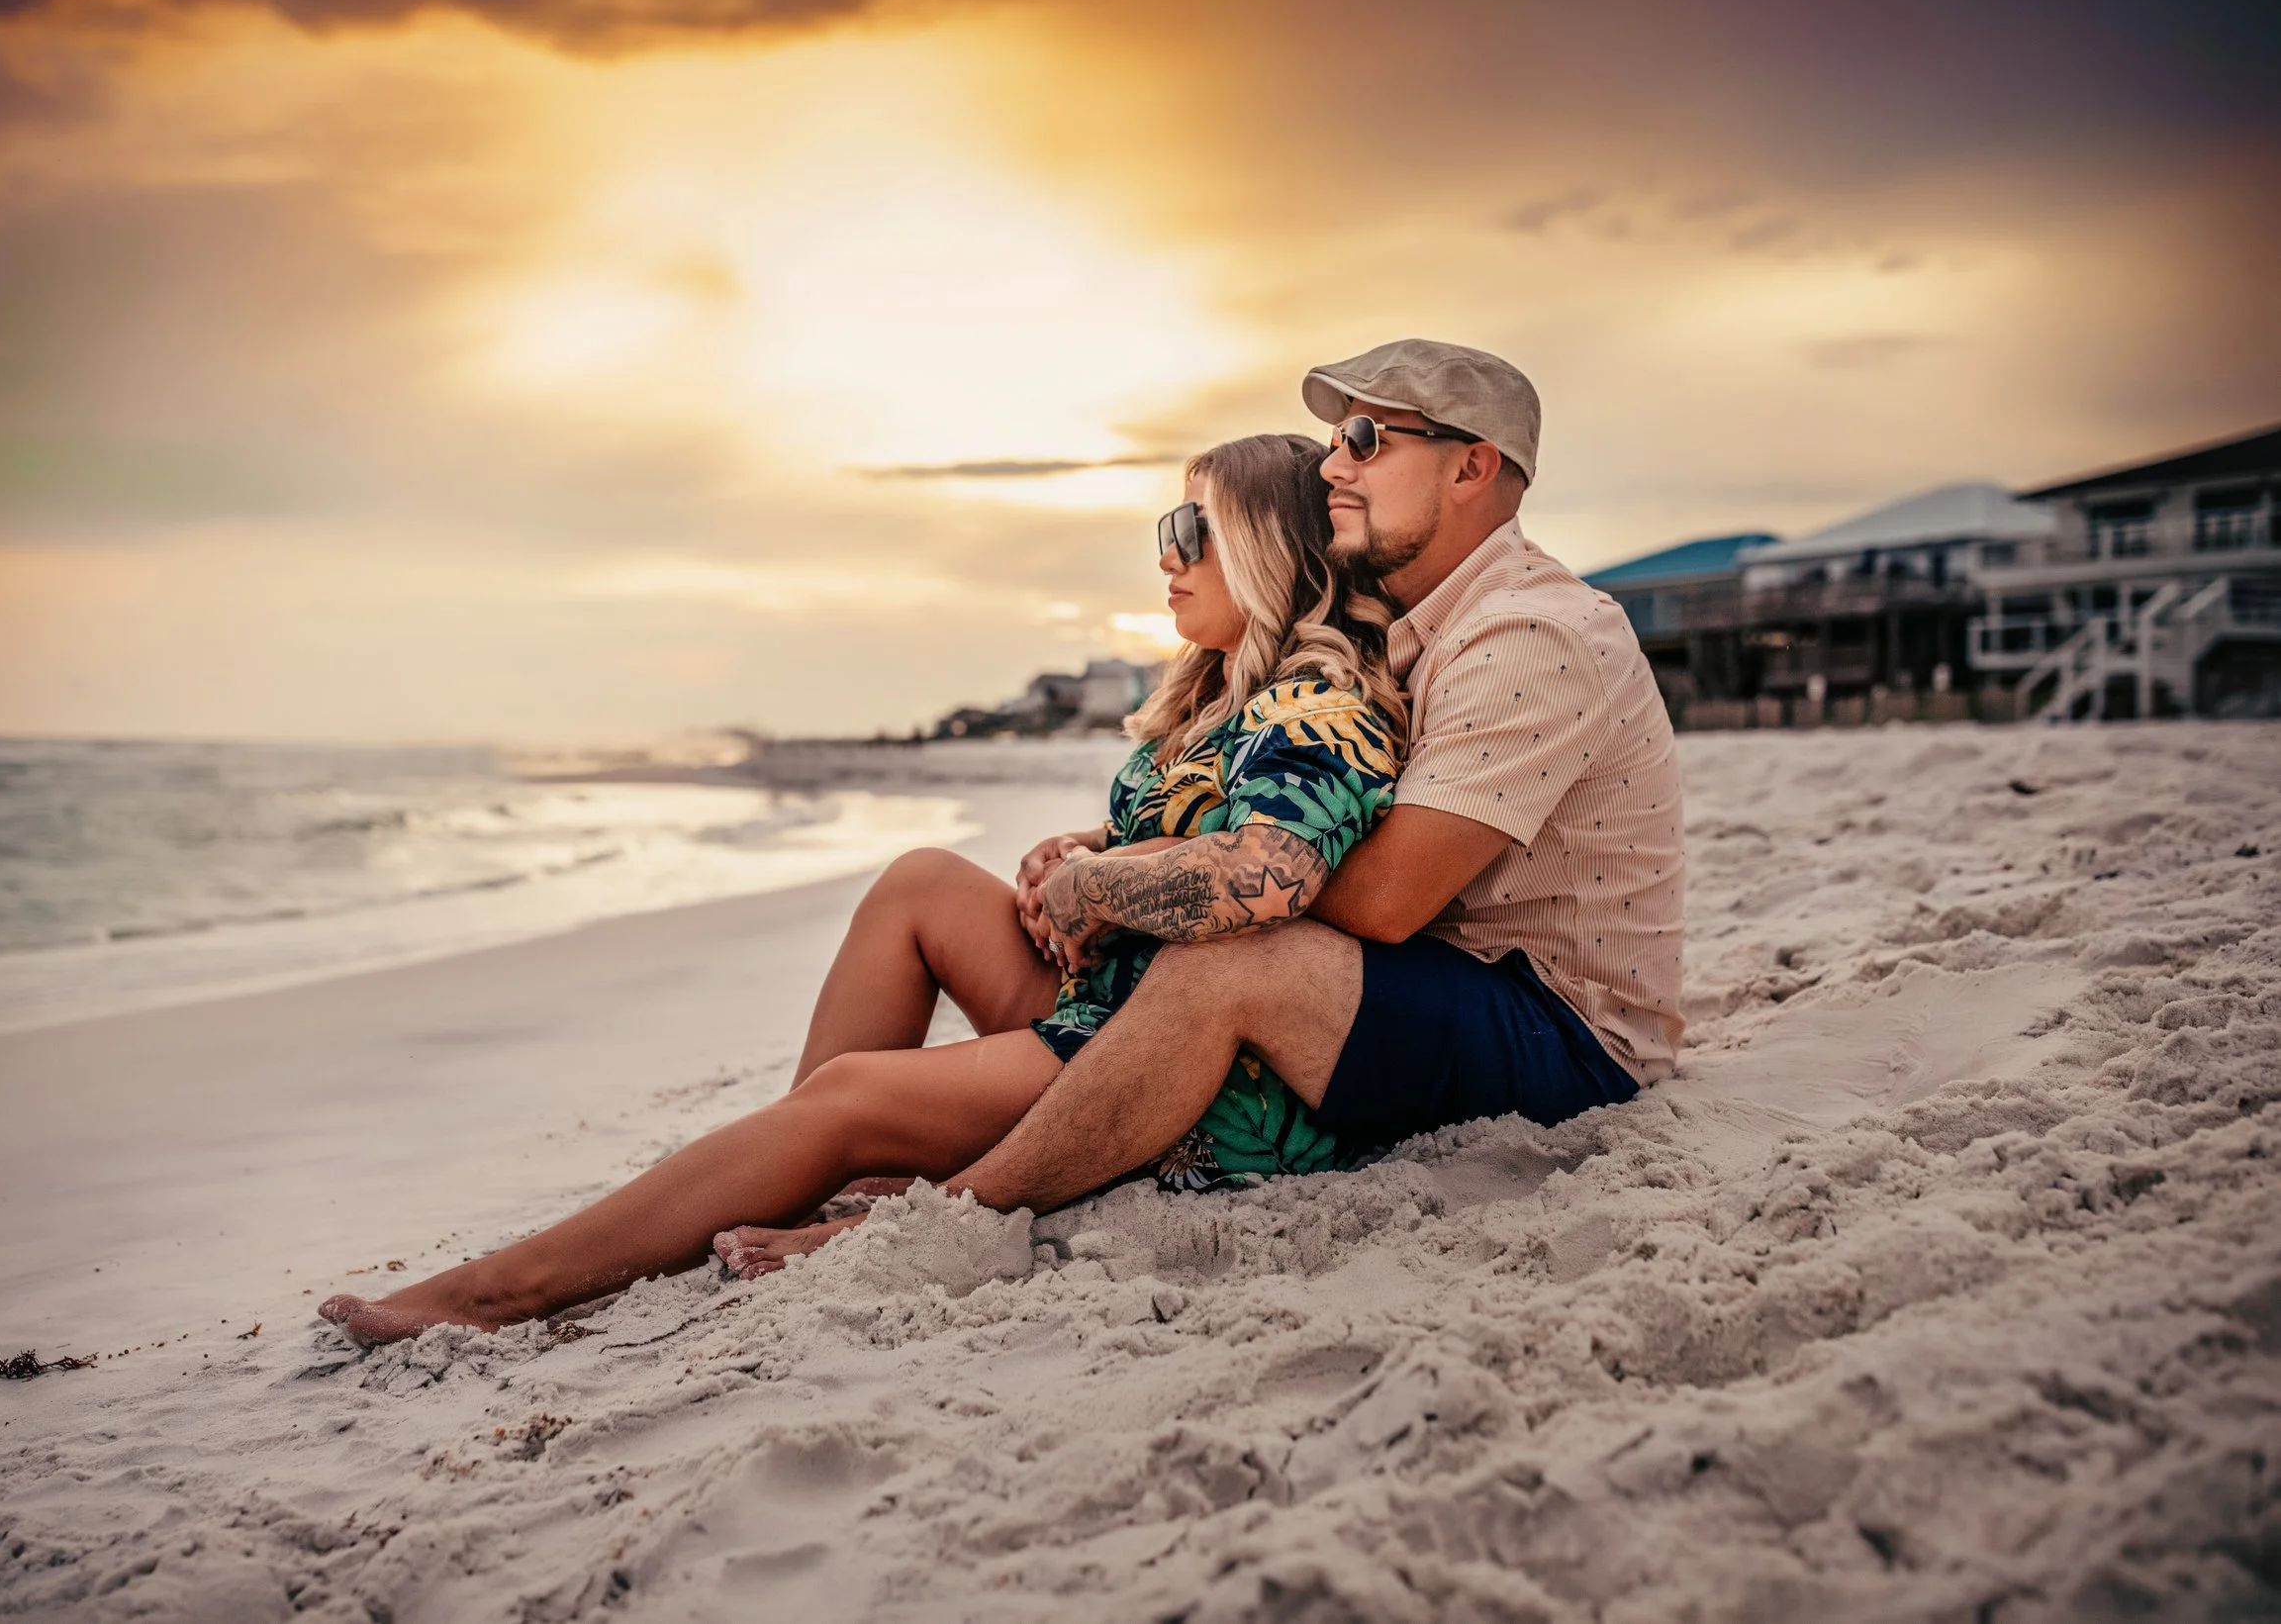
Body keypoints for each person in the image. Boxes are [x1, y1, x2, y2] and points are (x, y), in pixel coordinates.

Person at [320, 430, 1406, 1345]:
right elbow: (1182, 831)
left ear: (1267, 551)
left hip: (1185, 1075)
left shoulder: (1318, 706)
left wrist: (1094, 886)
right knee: (920, 880)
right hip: (1108, 1003)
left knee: (854, 1097)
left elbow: (1270, 874)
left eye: (1191, 533)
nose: (1166, 558)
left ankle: (497, 1290)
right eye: (1165, 533)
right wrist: (1078, 853)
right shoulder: (1226, 696)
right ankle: (799, 1165)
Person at [765, 337, 1686, 1241]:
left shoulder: (1533, 633)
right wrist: (1105, 844)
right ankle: (811, 1157)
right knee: (941, 886)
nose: (1334, 466)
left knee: (1235, 951)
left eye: (1367, 438)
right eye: (1332, 442)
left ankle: (958, 1212)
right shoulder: (1407, 621)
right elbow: (1316, 804)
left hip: (1557, 1029)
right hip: (1424, 984)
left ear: (1471, 467)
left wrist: (1129, 874)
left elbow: (1384, 897)